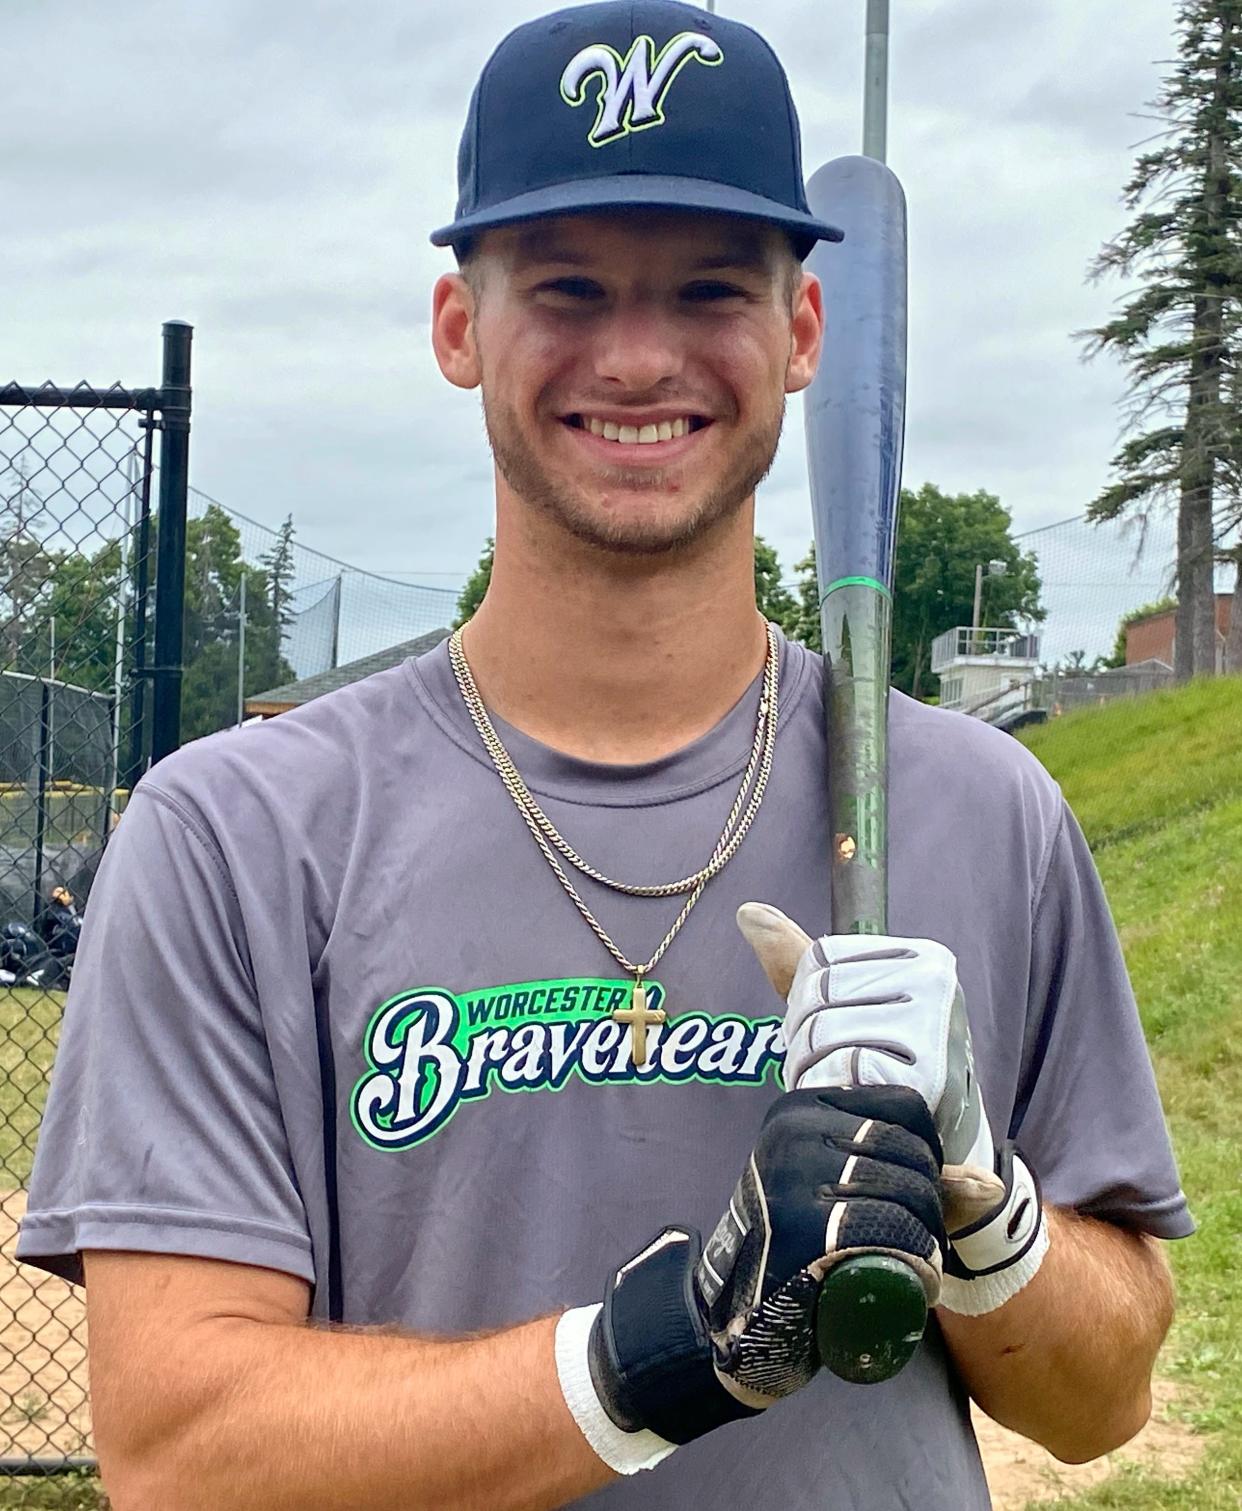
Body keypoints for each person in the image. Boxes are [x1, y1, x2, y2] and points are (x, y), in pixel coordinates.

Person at [19, 3, 1191, 1508]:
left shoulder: (976, 809)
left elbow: (1102, 1403)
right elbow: (183, 1455)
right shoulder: (240, 833)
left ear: (802, 333)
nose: (637, 358)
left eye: (709, 289)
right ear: (460, 327)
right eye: (567, 289)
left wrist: (981, 1204)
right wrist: (667, 1345)